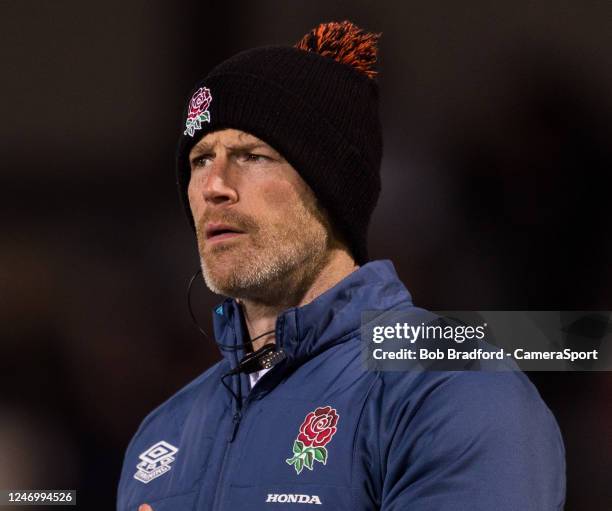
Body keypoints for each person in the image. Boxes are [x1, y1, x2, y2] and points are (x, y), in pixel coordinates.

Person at [116, 21, 565, 511]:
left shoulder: (451, 386)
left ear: (330, 189)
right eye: (200, 159)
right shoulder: (161, 435)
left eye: (252, 155)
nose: (213, 186)